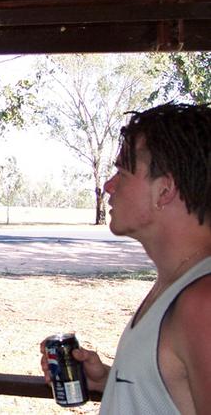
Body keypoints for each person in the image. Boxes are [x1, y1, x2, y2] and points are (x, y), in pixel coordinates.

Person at [40, 103, 211, 414]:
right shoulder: (175, 283)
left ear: (164, 190)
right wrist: (112, 381)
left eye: (122, 171)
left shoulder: (202, 303)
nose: (108, 186)